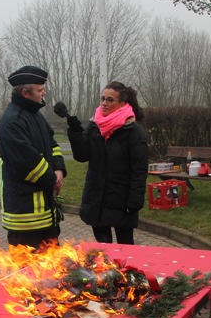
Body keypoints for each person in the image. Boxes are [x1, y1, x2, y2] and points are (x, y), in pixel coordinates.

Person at [53, 81, 148, 244]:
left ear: (122, 104)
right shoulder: (95, 126)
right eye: (102, 99)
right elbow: (82, 155)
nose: (104, 103)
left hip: (121, 199)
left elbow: (139, 170)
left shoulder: (133, 132)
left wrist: (135, 201)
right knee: (104, 249)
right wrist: (75, 131)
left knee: (126, 249)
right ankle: (107, 271)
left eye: (110, 100)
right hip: (97, 198)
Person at [0, 65, 67, 250]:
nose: (43, 94)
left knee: (53, 274)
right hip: (25, 220)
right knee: (27, 276)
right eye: (40, 90)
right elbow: (26, 164)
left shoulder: (34, 115)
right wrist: (54, 181)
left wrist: (59, 170)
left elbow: (52, 144)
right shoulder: (12, 121)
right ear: (25, 93)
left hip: (45, 216)